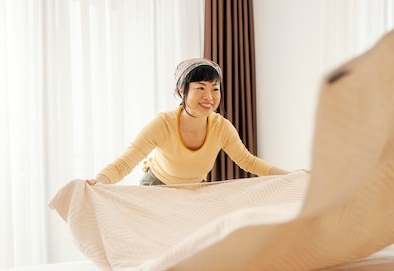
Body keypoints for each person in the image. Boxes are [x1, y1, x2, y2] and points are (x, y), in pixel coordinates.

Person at [86, 58, 289, 186]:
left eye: (215, 88)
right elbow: (124, 163)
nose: (209, 96)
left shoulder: (221, 127)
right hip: (157, 184)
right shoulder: (163, 125)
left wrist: (290, 176)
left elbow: (248, 161)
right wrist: (99, 182)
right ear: (182, 91)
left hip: (194, 188)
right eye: (200, 88)